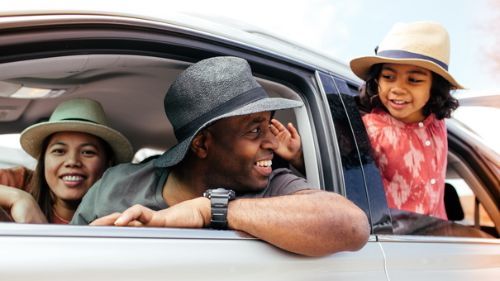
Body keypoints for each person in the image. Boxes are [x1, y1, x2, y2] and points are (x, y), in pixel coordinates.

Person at [71, 56, 370, 257]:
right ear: (201, 144)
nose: (271, 143)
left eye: (269, 125)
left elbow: (353, 225)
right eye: (254, 130)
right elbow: (67, 258)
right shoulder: (116, 184)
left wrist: (210, 210)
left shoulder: (273, 187)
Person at [349, 21, 461, 220]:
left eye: (414, 80)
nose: (398, 88)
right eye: (388, 76)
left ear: (434, 87)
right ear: (377, 80)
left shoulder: (437, 123)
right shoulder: (369, 129)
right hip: (397, 242)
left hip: (439, 239)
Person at [0, 98, 133, 224]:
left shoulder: (123, 214)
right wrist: (18, 198)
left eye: (87, 152)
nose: (72, 161)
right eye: (59, 151)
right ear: (43, 159)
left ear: (107, 163)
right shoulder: (21, 182)